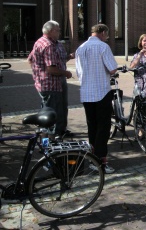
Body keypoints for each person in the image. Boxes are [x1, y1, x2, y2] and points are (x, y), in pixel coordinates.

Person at [75, 24, 118, 174]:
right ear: (103, 32)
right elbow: (112, 69)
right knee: (103, 128)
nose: (107, 37)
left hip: (86, 93)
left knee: (92, 126)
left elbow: (78, 72)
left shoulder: (80, 48)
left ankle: (93, 158)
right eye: (107, 34)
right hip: (101, 92)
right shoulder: (103, 47)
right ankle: (101, 161)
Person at [29, 20, 73, 138]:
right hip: (50, 84)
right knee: (51, 111)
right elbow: (51, 69)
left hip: (57, 82)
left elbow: (31, 59)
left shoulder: (55, 43)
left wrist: (70, 57)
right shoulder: (47, 45)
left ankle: (60, 131)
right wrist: (66, 73)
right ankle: (48, 140)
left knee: (62, 107)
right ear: (51, 31)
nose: (59, 32)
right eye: (58, 30)